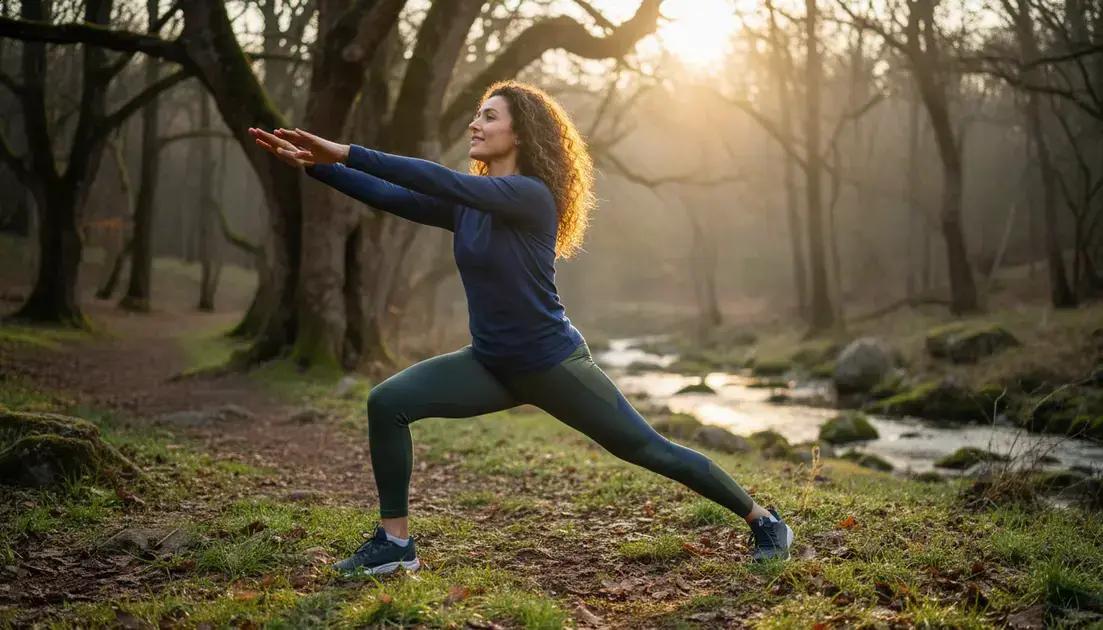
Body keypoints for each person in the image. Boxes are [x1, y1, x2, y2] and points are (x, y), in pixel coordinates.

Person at [248, 79, 794, 575]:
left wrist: (344, 151)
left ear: (520, 131)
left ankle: (764, 520)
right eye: (476, 116)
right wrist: (316, 166)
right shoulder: (470, 205)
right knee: (387, 402)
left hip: (552, 364)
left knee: (649, 450)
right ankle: (395, 545)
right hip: (491, 363)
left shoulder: (531, 197)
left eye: (488, 116)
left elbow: (432, 177)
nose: (475, 124)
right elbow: (395, 196)